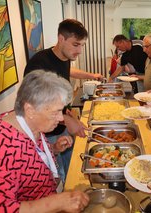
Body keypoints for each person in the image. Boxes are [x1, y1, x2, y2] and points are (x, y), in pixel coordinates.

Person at [0, 70, 90, 212]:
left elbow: (29, 157)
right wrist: (57, 202)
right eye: (55, 112)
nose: (61, 119)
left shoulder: (27, 121)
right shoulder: (3, 145)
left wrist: (54, 149)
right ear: (30, 110)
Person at [24, 19, 104, 183]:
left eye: (82, 45)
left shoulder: (65, 58)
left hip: (61, 125)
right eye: (76, 45)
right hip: (46, 135)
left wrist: (68, 114)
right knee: (55, 177)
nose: (80, 50)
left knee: (71, 170)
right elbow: (34, 104)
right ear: (61, 39)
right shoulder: (39, 64)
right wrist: (66, 119)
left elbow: (68, 73)